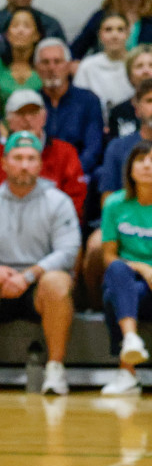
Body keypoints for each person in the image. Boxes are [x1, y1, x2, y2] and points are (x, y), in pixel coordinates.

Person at [0, 132, 80, 395]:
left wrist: (29, 276)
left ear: (40, 164)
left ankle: (55, 370)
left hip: (39, 287)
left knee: (58, 281)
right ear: (4, 163)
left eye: (31, 158)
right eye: (18, 158)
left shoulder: (58, 202)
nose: (24, 164)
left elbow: (68, 251)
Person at [84, 80, 152, 309]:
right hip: (122, 218)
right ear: (137, 108)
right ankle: (101, 308)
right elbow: (108, 197)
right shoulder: (119, 146)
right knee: (95, 247)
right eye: (150, 101)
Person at [0, 89, 86, 220]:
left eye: (33, 113)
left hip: (51, 228)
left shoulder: (65, 152)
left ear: (44, 117)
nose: (28, 119)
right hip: (3, 230)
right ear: (9, 121)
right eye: (20, 113)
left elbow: (76, 201)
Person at [99, 140, 152, 395]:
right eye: (141, 160)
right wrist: (143, 268)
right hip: (134, 285)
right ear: (130, 168)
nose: (148, 166)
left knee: (114, 295)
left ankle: (126, 369)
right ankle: (130, 344)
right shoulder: (115, 204)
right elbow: (109, 255)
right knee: (116, 273)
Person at [36, 38, 105, 177]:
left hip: (78, 172)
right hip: (37, 173)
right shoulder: (31, 101)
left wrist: (70, 171)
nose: (51, 67)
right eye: (45, 62)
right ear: (36, 68)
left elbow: (93, 148)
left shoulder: (88, 100)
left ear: (68, 66)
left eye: (57, 61)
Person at [74, 13, 137, 121]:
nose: (114, 35)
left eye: (120, 29)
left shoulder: (137, 63)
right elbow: (79, 101)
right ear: (100, 34)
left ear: (128, 33)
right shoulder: (88, 66)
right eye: (108, 30)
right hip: (96, 123)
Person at [0, 6, 43, 114]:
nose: (20, 31)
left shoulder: (44, 66)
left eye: (26, 26)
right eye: (15, 25)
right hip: (4, 129)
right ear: (7, 34)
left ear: (37, 35)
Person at [109, 44, 152, 139]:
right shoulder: (118, 112)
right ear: (129, 75)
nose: (146, 71)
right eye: (139, 66)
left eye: (151, 65)